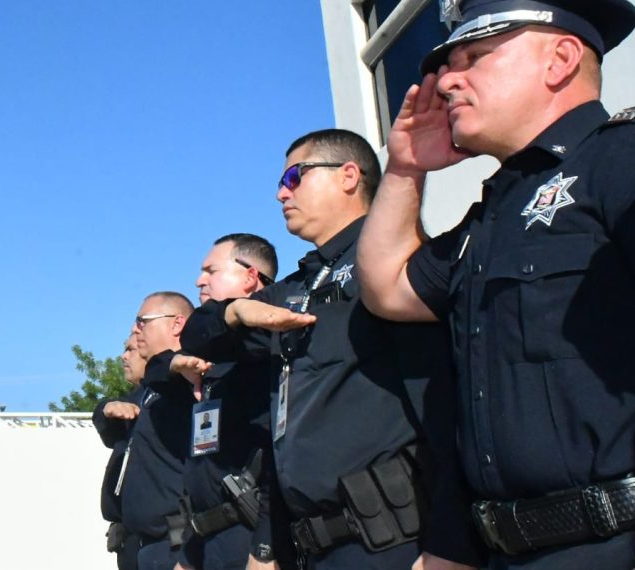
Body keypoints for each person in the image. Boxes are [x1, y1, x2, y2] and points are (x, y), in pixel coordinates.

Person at [356, 1, 635, 568]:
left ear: (559, 59)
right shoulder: (494, 213)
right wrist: (407, 169)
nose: (448, 81)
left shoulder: (618, 160)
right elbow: (386, 287)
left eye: (475, 57)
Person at [180, 129, 477, 569]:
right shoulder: (299, 287)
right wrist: (236, 313)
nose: (282, 192)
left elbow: (449, 409)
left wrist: (451, 545)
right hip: (311, 547)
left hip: (392, 544)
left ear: (348, 176)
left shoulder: (394, 265)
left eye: (295, 176)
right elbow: (196, 333)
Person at [170, 234, 281, 570]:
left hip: (248, 536)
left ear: (249, 277)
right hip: (205, 540)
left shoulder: (268, 349)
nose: (199, 280)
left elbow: (281, 454)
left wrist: (265, 547)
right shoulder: (209, 357)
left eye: (211, 270)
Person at [119, 292, 197, 569]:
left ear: (176, 324)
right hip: (148, 546)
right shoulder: (151, 389)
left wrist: (188, 553)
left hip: (178, 545)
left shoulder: (191, 379)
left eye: (143, 321)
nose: (135, 329)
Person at [94, 334, 149, 570]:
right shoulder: (133, 398)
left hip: (155, 539)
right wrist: (106, 407)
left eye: (131, 350)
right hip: (127, 540)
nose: (123, 356)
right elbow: (106, 429)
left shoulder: (168, 397)